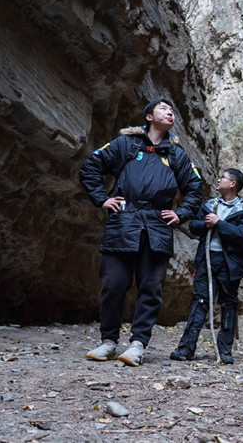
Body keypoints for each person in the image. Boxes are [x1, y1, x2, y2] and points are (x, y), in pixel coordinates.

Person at [79, 98, 203, 367]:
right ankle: (109, 341)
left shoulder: (177, 155)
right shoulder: (125, 145)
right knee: (113, 284)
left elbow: (195, 189)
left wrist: (181, 213)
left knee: (151, 288)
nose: (170, 112)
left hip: (158, 226)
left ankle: (138, 344)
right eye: (163, 108)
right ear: (148, 116)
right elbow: (90, 167)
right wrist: (102, 199)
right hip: (123, 222)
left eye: (172, 110)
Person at [169, 168, 243, 364]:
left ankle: (225, 350)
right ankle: (186, 348)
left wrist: (218, 223)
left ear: (232, 184)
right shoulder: (209, 205)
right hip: (206, 259)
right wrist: (205, 225)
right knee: (200, 301)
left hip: (230, 263)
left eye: (223, 177)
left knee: (228, 303)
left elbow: (242, 234)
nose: (219, 179)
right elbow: (193, 227)